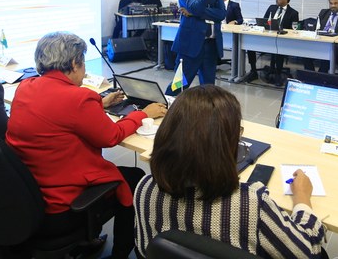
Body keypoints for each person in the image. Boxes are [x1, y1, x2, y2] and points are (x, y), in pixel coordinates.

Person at [6, 31, 167, 259]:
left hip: (29, 193)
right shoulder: (78, 98)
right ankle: (120, 254)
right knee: (136, 178)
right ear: (74, 63)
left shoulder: (26, 86)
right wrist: (143, 114)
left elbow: (57, 113)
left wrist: (98, 104)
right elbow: (111, 136)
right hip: (63, 205)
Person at [134, 85, 326, 258]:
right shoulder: (252, 204)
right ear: (226, 145)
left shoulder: (144, 189)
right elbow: (308, 251)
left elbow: (144, 249)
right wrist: (302, 200)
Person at [170, 0, 226, 91]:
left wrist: (194, 13)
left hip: (211, 46)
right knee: (179, 86)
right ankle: (168, 109)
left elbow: (221, 14)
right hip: (190, 45)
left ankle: (205, 112)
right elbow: (195, 7)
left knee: (208, 88)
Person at [242, 0, 300, 87]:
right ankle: (253, 71)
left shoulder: (293, 13)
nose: (276, 0)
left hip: (282, 40)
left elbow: (294, 30)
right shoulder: (272, 8)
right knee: (251, 45)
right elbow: (264, 22)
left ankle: (278, 74)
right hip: (267, 37)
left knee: (279, 50)